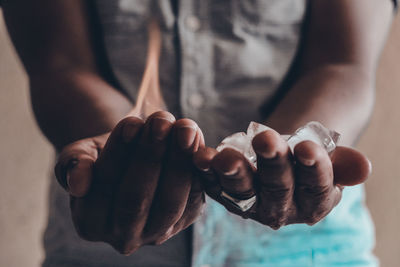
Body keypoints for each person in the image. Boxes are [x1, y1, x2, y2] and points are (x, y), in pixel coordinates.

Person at [2, 0, 396, 266]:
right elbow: (61, 63)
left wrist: (295, 146)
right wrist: (114, 145)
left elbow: (342, 63)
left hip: (311, 254)